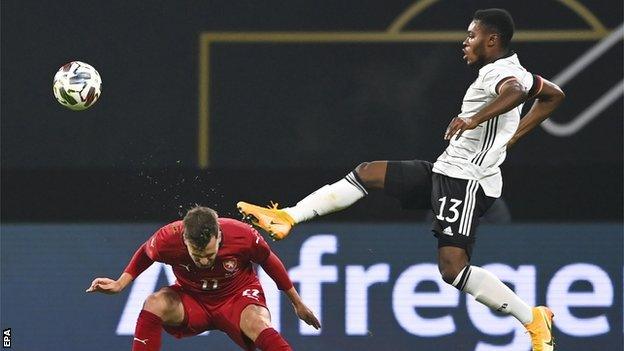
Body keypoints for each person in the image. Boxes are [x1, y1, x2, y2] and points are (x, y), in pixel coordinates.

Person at [237, 8, 564, 351]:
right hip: (446, 170)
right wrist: (512, 137)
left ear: (492, 40)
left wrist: (474, 120)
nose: (465, 42)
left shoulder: (503, 73)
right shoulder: (513, 69)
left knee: (453, 269)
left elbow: (513, 91)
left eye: (472, 36)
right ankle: (289, 216)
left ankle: (532, 319)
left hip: (467, 182)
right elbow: (554, 95)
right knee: (368, 173)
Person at [86, 205, 320, 351]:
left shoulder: (242, 234)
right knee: (154, 302)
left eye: (209, 254)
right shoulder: (169, 238)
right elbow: (146, 253)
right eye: (197, 255)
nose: (205, 261)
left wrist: (297, 302)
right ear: (186, 240)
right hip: (193, 299)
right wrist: (120, 284)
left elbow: (269, 261)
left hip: (236, 297)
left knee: (258, 323)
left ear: (219, 236)